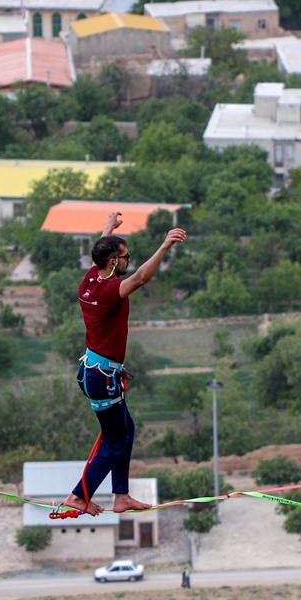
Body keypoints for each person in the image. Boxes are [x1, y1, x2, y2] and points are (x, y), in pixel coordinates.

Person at [62, 212, 186, 516]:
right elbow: (141, 278)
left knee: (124, 429)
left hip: (96, 372)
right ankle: (78, 496)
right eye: (125, 256)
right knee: (116, 441)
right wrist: (164, 247)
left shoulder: (90, 281)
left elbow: (100, 254)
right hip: (102, 378)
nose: (129, 260)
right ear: (112, 262)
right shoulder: (107, 292)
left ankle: (121, 495)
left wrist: (108, 229)